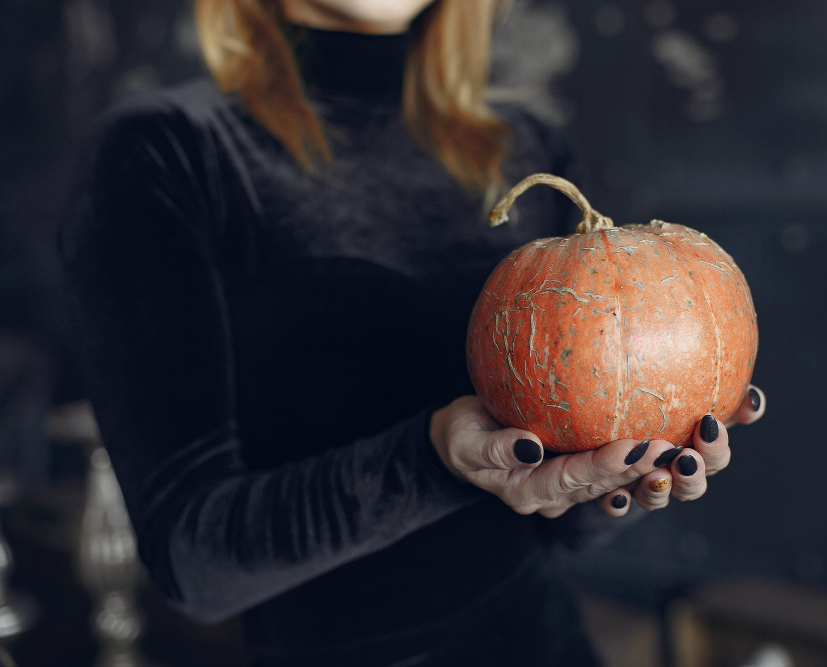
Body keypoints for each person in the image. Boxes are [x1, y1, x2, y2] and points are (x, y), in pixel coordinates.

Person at [60, 0, 766, 665]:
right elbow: (192, 562)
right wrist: (434, 458)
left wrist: (633, 466)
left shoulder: (528, 148)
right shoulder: (164, 152)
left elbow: (562, 527)